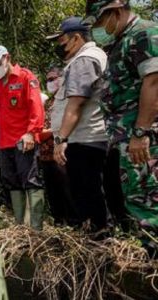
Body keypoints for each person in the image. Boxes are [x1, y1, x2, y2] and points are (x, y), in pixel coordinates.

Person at [84, 0, 158, 246]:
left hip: (143, 138)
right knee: (134, 199)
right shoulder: (121, 42)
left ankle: (152, 259)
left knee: (147, 199)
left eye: (100, 21)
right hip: (125, 137)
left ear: (115, 11)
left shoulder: (144, 34)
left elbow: (154, 83)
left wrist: (140, 132)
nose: (98, 28)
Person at [46, 16, 110, 231]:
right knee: (87, 192)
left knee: (88, 193)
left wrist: (61, 139)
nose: (59, 46)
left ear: (76, 38)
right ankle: (96, 235)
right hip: (84, 137)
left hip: (86, 138)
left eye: (61, 41)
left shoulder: (85, 60)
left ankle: (99, 237)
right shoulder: (84, 58)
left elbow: (76, 104)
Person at [0, 45, 46, 230]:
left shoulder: (26, 77)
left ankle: (36, 227)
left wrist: (32, 133)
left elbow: (36, 108)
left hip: (25, 141)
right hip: (4, 143)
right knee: (11, 181)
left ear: (7, 58)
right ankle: (20, 226)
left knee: (30, 179)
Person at [39, 67, 74, 226]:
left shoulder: (70, 99)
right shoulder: (48, 103)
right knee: (54, 193)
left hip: (62, 152)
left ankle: (75, 224)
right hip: (45, 155)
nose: (50, 82)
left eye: (54, 78)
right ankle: (59, 224)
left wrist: (40, 134)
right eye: (48, 80)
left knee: (68, 190)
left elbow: (62, 126)